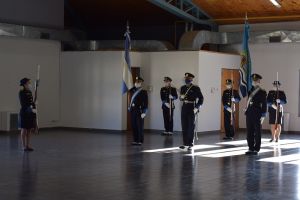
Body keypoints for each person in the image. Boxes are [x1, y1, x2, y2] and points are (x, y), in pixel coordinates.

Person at [179, 73, 204, 150]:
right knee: (184, 126)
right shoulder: (182, 88)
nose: (186, 80)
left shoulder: (196, 88)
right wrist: (181, 97)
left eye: (188, 78)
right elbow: (181, 98)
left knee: (190, 126)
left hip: (192, 107)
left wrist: (197, 107)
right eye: (186, 78)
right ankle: (185, 143)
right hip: (184, 107)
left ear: (191, 79)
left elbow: (201, 98)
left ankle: (190, 143)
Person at [245, 74, 267, 155]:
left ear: (259, 82)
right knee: (249, 132)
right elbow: (248, 101)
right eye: (253, 81)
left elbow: (264, 104)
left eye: (256, 81)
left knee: (257, 132)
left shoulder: (262, 92)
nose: (254, 82)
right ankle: (250, 147)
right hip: (249, 113)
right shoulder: (250, 91)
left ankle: (256, 148)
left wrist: (263, 115)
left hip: (257, 114)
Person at [128, 77, 148, 145]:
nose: (136, 83)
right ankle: (135, 140)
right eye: (136, 82)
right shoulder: (133, 90)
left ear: (141, 83)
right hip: (133, 110)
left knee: (139, 126)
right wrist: (134, 86)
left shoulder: (143, 92)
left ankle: (140, 140)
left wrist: (144, 112)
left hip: (139, 111)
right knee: (134, 126)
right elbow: (129, 90)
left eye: (138, 82)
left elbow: (146, 103)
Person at [19, 78, 37, 151]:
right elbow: (24, 103)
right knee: (24, 129)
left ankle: (28, 145)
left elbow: (32, 101)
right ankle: (23, 146)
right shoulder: (21, 92)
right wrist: (31, 108)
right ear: (24, 84)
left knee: (29, 129)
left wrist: (34, 107)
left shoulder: (29, 92)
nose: (30, 84)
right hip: (25, 112)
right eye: (28, 83)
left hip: (30, 112)